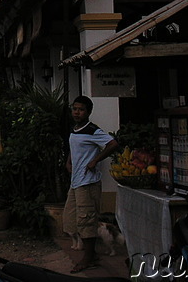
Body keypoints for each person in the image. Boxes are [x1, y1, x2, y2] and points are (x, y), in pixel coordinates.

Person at [63, 95, 119, 273]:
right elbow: (74, 148)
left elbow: (112, 144)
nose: (77, 112)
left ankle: (88, 258)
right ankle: (90, 254)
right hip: (76, 181)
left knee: (86, 220)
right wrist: (69, 161)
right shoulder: (75, 129)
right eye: (75, 109)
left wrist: (96, 160)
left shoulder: (93, 130)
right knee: (71, 218)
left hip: (88, 182)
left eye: (81, 109)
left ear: (88, 112)